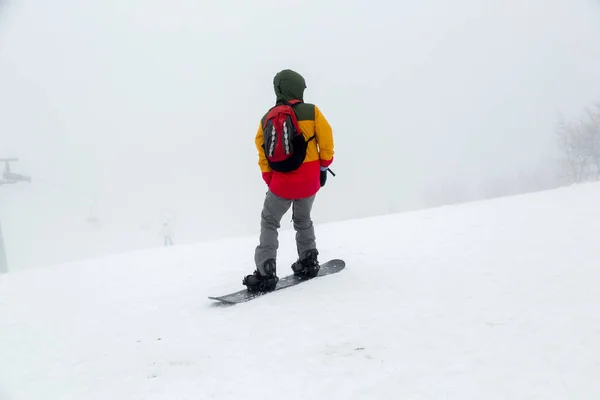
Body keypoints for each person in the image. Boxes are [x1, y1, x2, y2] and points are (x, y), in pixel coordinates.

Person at [242, 69, 335, 292]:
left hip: (281, 184)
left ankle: (266, 272)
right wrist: (322, 168)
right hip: (310, 181)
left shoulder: (268, 118)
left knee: (270, 221)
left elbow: (262, 150)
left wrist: (270, 179)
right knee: (303, 220)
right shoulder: (312, 112)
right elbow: (327, 139)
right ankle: (308, 261)